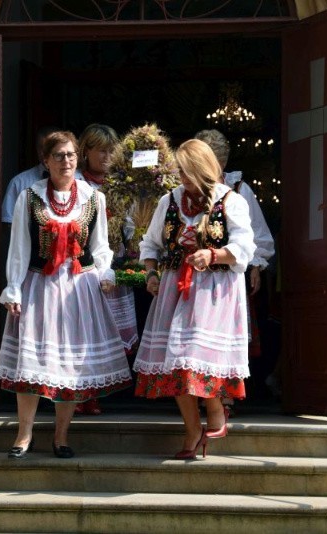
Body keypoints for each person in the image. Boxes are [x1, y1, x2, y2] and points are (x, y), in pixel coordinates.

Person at [0, 130, 132, 459]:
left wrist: (105, 276)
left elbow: (101, 248)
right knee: (31, 364)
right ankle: (23, 435)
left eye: (71, 155)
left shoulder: (92, 198)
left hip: (78, 289)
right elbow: (19, 250)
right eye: (59, 155)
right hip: (39, 285)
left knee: (70, 365)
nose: (66, 161)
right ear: (46, 161)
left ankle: (61, 436)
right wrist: (13, 288)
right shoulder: (29, 197)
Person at [133, 139, 255, 459]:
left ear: (203, 169)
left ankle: (215, 410)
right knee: (176, 363)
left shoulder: (230, 200)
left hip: (215, 290)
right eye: (180, 172)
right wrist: (151, 274)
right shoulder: (169, 201)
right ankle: (192, 429)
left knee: (195, 356)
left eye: (188, 172)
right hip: (176, 287)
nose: (182, 179)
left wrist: (212, 253)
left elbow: (244, 249)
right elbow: (150, 245)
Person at [195, 129, 276, 404]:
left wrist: (255, 266)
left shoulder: (239, 190)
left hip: (228, 272)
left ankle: (223, 396)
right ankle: (195, 392)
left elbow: (258, 235)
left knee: (225, 336)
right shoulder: (185, 190)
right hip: (193, 274)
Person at [74, 123, 138, 416]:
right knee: (86, 332)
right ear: (85, 152)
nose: (108, 156)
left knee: (109, 334)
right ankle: (84, 394)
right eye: (101, 150)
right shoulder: (75, 184)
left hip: (115, 266)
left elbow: (131, 223)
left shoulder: (121, 185)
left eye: (113, 151)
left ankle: (104, 391)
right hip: (84, 268)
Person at [0, 126, 58, 228]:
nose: (44, 153)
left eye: (49, 148)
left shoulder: (78, 180)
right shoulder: (18, 183)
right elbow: (9, 224)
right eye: (41, 148)